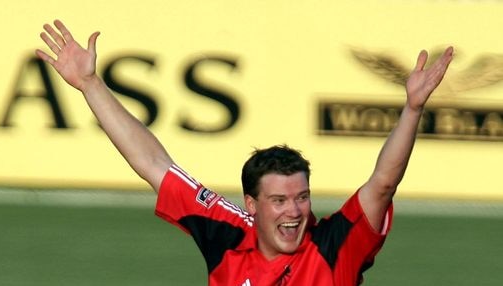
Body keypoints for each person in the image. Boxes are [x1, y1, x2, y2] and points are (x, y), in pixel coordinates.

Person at [36, 20, 453, 286]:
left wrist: (413, 110)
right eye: (280, 200)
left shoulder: (334, 245)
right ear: (252, 204)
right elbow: (154, 165)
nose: (295, 211)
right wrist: (91, 85)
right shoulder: (228, 233)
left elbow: (382, 183)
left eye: (302, 197)